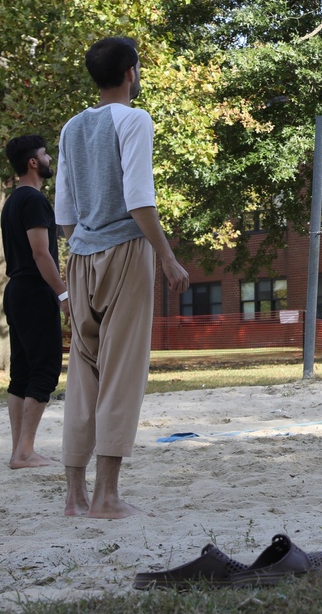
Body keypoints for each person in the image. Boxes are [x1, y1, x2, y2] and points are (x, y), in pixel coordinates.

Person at [55, 37, 190, 518]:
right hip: (126, 252)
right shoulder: (135, 120)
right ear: (131, 72)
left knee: (83, 374)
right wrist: (168, 258)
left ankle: (75, 496)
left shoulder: (71, 128)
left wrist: (79, 260)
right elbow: (139, 199)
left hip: (81, 256)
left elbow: (65, 211)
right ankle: (107, 497)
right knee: (122, 372)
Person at [2, 135, 70, 468]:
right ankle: (25, 451)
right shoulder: (34, 201)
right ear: (33, 162)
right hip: (34, 290)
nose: (49, 159)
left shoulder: (12, 202)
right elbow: (41, 253)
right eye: (45, 154)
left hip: (15, 290)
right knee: (44, 370)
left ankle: (19, 451)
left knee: (22, 372)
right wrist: (63, 293)